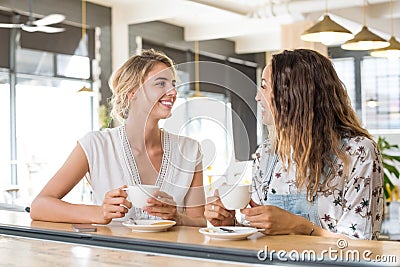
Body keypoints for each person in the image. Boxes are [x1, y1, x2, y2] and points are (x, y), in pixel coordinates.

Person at [205, 49, 384, 240]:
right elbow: (260, 235)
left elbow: (362, 246)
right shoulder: (266, 155)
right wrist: (231, 225)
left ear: (293, 94)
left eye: (264, 87)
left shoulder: (358, 153)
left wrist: (301, 227)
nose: (257, 97)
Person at [30, 49, 206, 226]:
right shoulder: (95, 145)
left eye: (173, 84)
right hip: (112, 253)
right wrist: (99, 212)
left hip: (173, 253)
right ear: (132, 93)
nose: (173, 92)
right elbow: (40, 206)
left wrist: (176, 217)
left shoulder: (190, 150)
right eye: (161, 84)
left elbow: (199, 221)